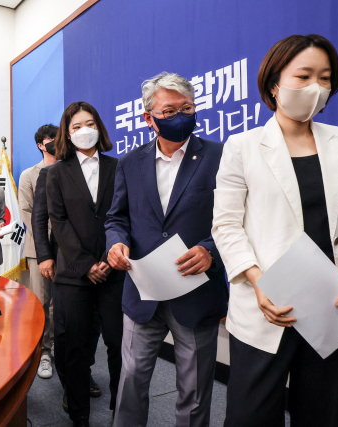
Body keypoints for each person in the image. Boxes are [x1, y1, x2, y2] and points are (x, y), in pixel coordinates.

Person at [212, 34, 338, 427]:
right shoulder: (242, 146)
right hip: (268, 305)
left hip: (334, 303)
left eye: (325, 78)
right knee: (251, 416)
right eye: (303, 76)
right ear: (274, 84)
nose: (315, 87)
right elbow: (226, 224)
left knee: (328, 416)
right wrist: (258, 280)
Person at [106, 72, 228, 427]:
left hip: (195, 292)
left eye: (187, 108)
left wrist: (211, 250)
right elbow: (116, 218)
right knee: (131, 380)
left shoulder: (221, 156)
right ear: (149, 118)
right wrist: (116, 242)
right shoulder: (130, 163)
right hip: (142, 293)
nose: (181, 116)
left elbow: (238, 220)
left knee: (195, 391)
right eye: (170, 111)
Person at [46, 101, 125, 427]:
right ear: (67, 134)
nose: (84, 131)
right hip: (74, 274)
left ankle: (121, 413)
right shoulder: (56, 173)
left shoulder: (118, 166)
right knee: (76, 348)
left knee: (119, 345)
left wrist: (107, 260)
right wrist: (86, 264)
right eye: (76, 126)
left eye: (89, 124)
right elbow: (59, 222)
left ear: (99, 127)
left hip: (114, 270)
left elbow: (124, 215)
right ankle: (79, 416)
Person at [33, 155, 103, 405]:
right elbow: (39, 218)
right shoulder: (51, 172)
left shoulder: (107, 169)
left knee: (93, 324)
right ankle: (70, 382)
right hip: (64, 260)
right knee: (66, 327)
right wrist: (44, 256)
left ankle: (84, 371)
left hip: (99, 261)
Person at [19, 124, 59, 379]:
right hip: (39, 248)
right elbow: (27, 211)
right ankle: (44, 352)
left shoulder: (68, 168)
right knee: (42, 301)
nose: (55, 141)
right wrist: (46, 240)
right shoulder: (29, 175)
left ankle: (58, 347)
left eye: (58, 137)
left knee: (61, 303)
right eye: (50, 139)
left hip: (67, 248)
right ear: (40, 145)